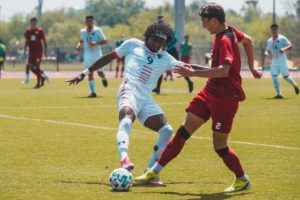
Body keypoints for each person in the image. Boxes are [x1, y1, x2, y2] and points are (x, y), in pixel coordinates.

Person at [135, 2, 262, 192]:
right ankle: (154, 171)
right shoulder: (230, 32)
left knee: (219, 146)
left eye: (204, 21)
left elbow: (223, 71)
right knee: (183, 131)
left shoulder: (226, 39)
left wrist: (192, 73)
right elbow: (249, 41)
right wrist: (251, 67)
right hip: (209, 92)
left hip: (225, 99)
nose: (202, 24)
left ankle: (242, 179)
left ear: (214, 20)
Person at [66, 22, 185, 185]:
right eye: (154, 39)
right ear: (148, 37)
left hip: (146, 98)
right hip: (128, 90)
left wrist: (216, 71)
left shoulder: (165, 57)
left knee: (166, 130)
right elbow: (108, 58)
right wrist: (84, 73)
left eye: (161, 42)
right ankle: (124, 159)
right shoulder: (132, 44)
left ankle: (150, 172)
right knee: (127, 120)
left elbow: (189, 67)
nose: (157, 44)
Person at [152, 16, 194, 94]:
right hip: (163, 52)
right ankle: (158, 88)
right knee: (160, 67)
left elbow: (176, 39)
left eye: (160, 22)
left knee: (178, 68)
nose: (159, 23)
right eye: (158, 22)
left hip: (171, 51)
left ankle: (189, 81)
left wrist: (167, 46)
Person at [76, 16, 108, 98]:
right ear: (85, 22)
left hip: (97, 54)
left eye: (90, 21)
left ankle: (103, 78)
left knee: (100, 73)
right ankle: (93, 92)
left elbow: (105, 41)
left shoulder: (97, 30)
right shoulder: (82, 31)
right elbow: (81, 40)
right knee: (89, 72)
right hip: (87, 54)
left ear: (93, 22)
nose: (89, 22)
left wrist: (96, 43)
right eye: (87, 21)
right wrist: (79, 45)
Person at [264, 24, 299, 99]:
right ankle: (279, 94)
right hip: (274, 60)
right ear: (271, 30)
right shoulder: (269, 41)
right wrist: (266, 52)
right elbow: (268, 49)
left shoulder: (282, 38)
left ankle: (295, 85)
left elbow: (290, 45)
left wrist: (284, 49)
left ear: (277, 30)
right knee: (274, 76)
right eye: (272, 30)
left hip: (282, 59)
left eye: (275, 29)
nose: (274, 31)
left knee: (285, 76)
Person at [24, 17, 49, 88]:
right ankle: (42, 77)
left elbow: (44, 41)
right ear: (31, 23)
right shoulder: (28, 31)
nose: (34, 23)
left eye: (35, 22)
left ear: (36, 22)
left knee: (37, 66)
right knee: (30, 66)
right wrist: (25, 48)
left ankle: (38, 83)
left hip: (38, 51)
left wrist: (45, 51)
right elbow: (27, 40)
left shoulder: (40, 30)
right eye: (33, 22)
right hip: (31, 51)